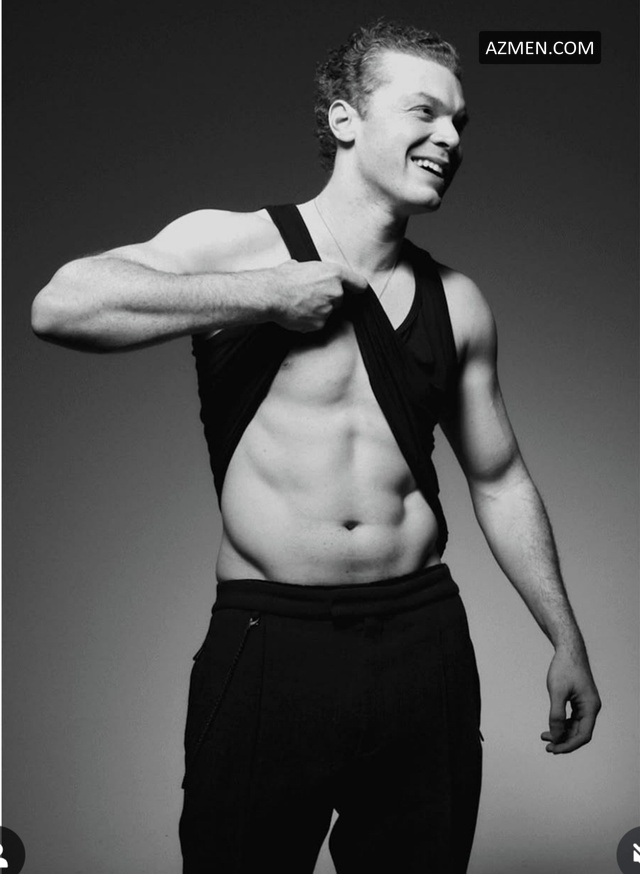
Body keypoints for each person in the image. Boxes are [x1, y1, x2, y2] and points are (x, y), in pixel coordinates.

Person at [31, 19, 601, 874]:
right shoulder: (236, 244)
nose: (450, 138)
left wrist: (566, 638)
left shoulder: (459, 302)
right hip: (272, 640)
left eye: (460, 122)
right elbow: (62, 305)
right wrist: (265, 293)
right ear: (345, 120)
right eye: (425, 112)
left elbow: (499, 477)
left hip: (423, 641)